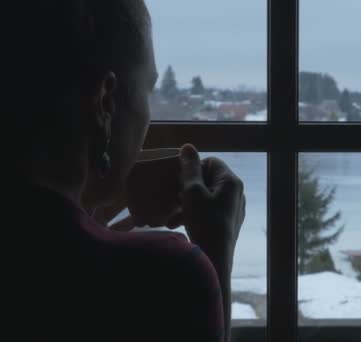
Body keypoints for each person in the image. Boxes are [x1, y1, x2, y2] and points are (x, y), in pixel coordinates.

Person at [2, 1, 244, 340]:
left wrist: (87, 212)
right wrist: (217, 251)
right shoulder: (169, 276)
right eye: (147, 89)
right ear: (105, 102)